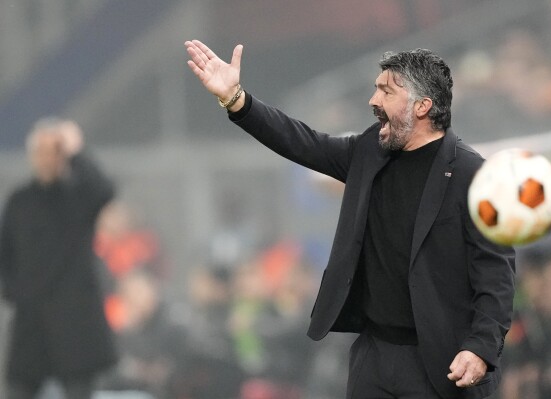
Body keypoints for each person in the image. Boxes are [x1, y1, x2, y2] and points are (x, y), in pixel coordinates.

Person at [184, 40, 516, 399]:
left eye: (386, 91)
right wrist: (237, 99)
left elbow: (496, 274)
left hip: (440, 360)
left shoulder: (473, 174)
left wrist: (481, 347)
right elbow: (303, 142)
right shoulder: (369, 152)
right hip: (373, 356)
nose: (373, 101)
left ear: (422, 106)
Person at [0, 118, 118, 399]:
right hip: (32, 318)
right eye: (41, 151)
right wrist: (13, 291)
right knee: (18, 390)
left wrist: (77, 150)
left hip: (74, 321)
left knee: (78, 391)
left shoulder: (77, 196)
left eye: (54, 151)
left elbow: (104, 190)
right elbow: (5, 253)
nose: (47, 159)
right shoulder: (20, 201)